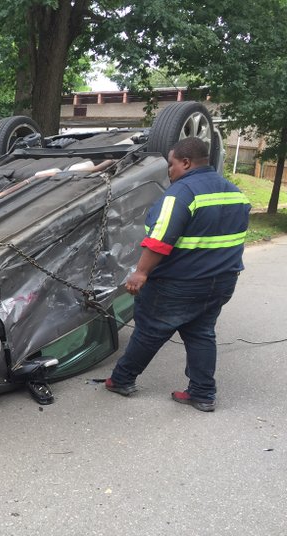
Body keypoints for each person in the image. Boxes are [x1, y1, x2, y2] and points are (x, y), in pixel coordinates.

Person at [104, 137, 250, 412]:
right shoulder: (235, 192)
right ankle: (203, 393)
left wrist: (140, 273)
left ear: (185, 162)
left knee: (149, 331)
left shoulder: (181, 194)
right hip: (221, 282)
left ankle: (122, 379)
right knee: (201, 333)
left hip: (179, 284)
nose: (169, 171)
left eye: (171, 165)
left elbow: (160, 240)